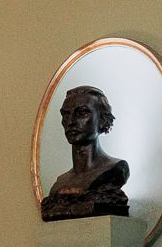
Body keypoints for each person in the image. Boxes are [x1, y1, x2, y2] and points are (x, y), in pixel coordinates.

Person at [40, 85, 131, 219]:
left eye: (82, 113)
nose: (70, 122)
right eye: (66, 114)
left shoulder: (115, 169)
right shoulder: (61, 183)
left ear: (102, 120)